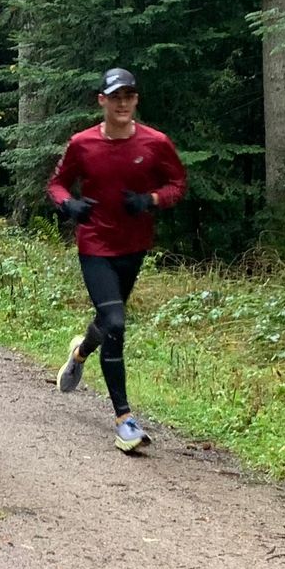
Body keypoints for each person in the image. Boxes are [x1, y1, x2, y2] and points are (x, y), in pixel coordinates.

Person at [47, 67, 187, 453]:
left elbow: (178, 184)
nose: (122, 103)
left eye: (129, 96)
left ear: (136, 100)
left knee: (108, 320)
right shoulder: (82, 143)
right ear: (102, 101)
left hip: (134, 245)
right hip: (95, 244)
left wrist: (151, 200)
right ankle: (124, 419)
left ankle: (80, 352)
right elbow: (56, 184)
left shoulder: (156, 143)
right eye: (115, 97)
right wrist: (69, 205)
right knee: (116, 322)